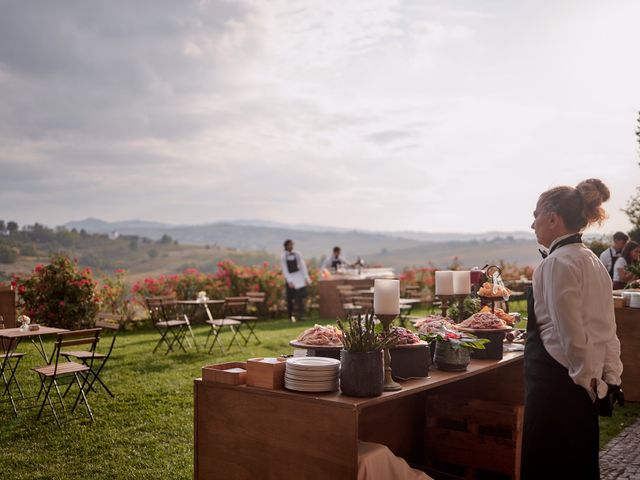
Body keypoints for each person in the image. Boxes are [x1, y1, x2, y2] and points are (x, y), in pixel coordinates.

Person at [522, 178, 623, 480]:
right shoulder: (592, 261)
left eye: (536, 214)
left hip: (558, 389)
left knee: (549, 467)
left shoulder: (556, 264)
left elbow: (571, 335)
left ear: (553, 218)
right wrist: (609, 379)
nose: (532, 224)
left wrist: (589, 384)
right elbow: (608, 330)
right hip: (583, 390)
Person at [280, 239, 310, 322]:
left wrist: (306, 278)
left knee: (300, 299)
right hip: (290, 279)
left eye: (292, 244)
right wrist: (289, 281)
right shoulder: (283, 257)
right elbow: (285, 269)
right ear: (286, 246)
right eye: (289, 245)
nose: (291, 246)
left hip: (299, 278)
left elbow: (302, 266)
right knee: (290, 299)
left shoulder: (297, 254)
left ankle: (301, 316)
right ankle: (290, 316)